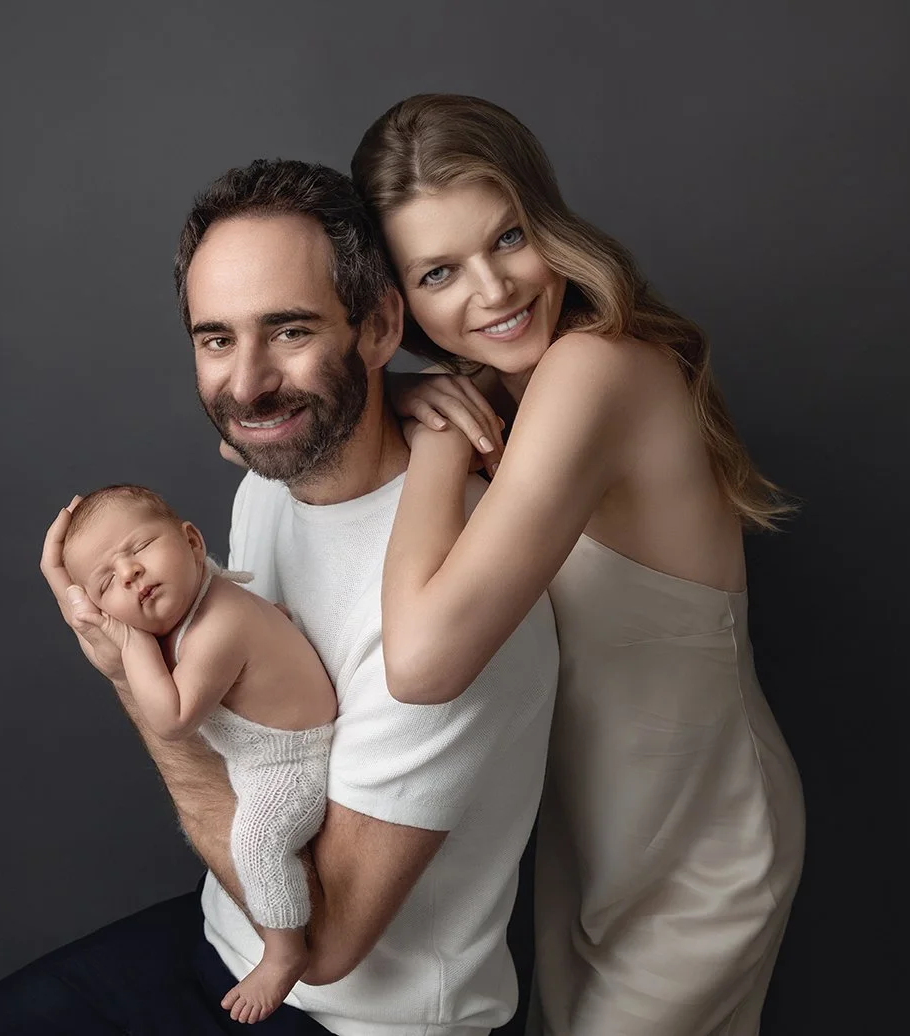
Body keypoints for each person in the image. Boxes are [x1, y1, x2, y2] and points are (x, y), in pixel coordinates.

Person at [0, 158, 557, 1036]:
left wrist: (128, 681)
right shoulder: (273, 482)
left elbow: (326, 944)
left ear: (379, 325)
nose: (245, 384)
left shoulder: (459, 590)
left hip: (352, 1011)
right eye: (216, 339)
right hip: (227, 931)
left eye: (288, 331)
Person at [348, 93, 806, 1036]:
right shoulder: (504, 394)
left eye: (508, 236)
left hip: (703, 852)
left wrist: (430, 437)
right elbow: (260, 443)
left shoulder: (594, 369)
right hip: (591, 853)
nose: (493, 289)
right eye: (440, 270)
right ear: (397, 303)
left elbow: (422, 663)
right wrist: (394, 385)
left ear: (549, 222)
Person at [58, 482, 338, 1024]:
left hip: (290, 762)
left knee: (256, 841)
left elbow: (172, 721)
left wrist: (130, 639)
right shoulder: (192, 597)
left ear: (191, 541)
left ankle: (286, 952)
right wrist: (60, 576)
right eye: (107, 581)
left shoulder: (219, 622)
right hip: (258, 749)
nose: (130, 573)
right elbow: (83, 606)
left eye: (137, 549)